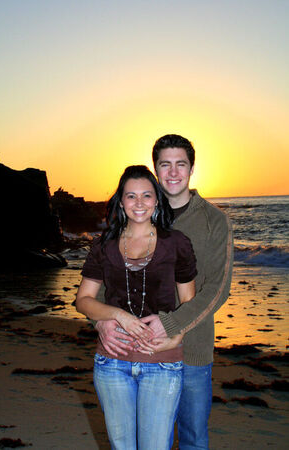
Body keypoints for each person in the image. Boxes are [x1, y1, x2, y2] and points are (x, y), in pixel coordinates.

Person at [96, 135, 234, 449]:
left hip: (192, 353)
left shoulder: (215, 221)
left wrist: (171, 325)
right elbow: (104, 285)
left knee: (192, 438)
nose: (173, 172)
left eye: (180, 164)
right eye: (165, 164)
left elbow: (216, 289)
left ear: (192, 168)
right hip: (134, 349)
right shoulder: (137, 218)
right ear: (156, 169)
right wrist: (102, 324)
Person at [76, 165, 197, 450]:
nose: (139, 203)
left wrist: (176, 336)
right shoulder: (103, 245)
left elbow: (190, 303)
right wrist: (117, 315)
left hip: (162, 363)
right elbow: (84, 300)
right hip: (112, 363)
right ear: (121, 201)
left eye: (146, 195)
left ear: (157, 199)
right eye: (131, 196)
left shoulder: (176, 244)